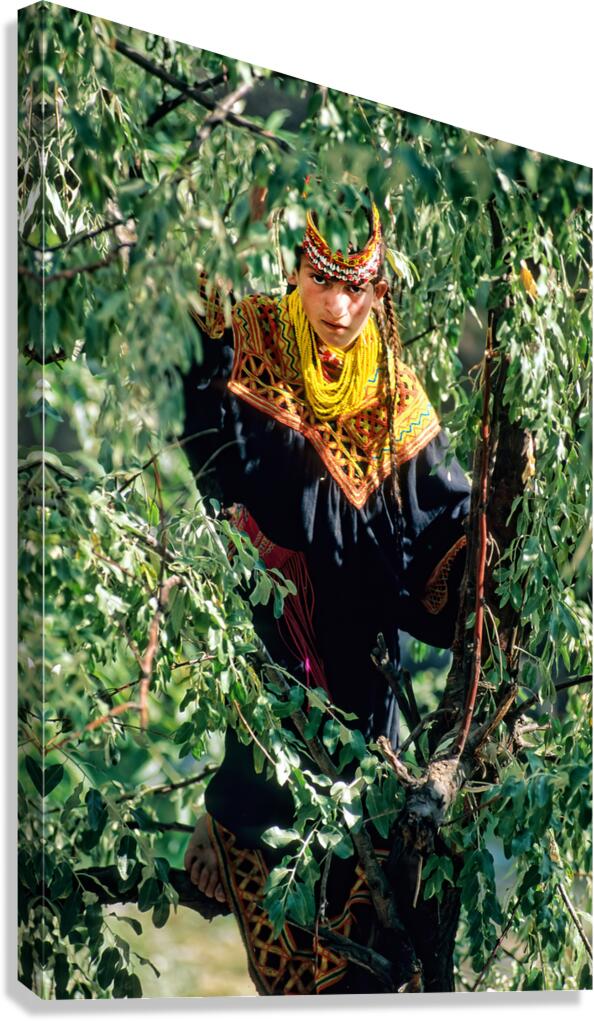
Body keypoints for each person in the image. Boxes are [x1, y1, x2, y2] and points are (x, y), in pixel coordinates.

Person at [180, 196, 470, 994]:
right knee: (283, 960)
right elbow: (206, 440)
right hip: (269, 663)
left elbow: (449, 541)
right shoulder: (254, 342)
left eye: (361, 286)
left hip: (361, 690)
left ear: (383, 286)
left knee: (365, 964)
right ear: (295, 269)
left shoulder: (400, 404)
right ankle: (230, 810)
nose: (341, 307)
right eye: (323, 280)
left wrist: (491, 550)